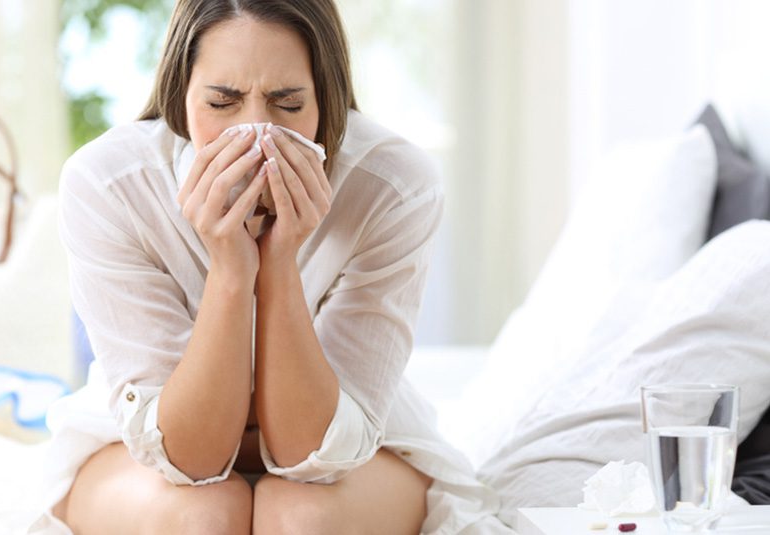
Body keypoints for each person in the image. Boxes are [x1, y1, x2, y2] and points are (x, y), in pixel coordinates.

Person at [29, 0, 509, 533]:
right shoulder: (111, 184)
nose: (257, 133)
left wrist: (278, 261)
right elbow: (192, 459)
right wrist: (232, 270)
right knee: (205, 518)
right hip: (149, 452)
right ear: (181, 97)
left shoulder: (393, 185)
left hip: (348, 451)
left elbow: (314, 455)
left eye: (287, 103)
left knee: (301, 519)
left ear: (324, 98)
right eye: (222, 102)